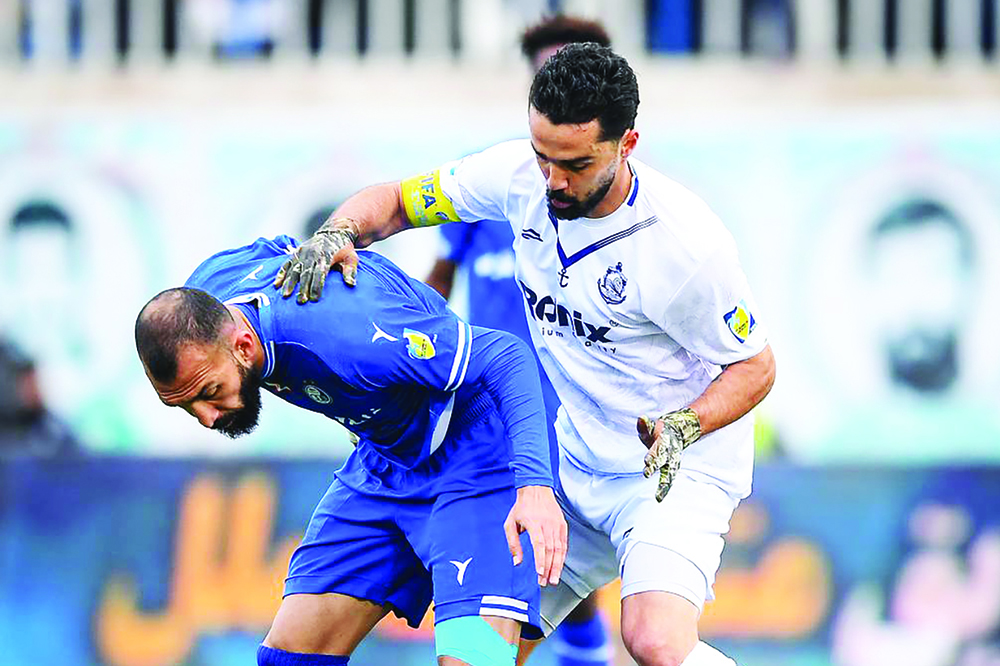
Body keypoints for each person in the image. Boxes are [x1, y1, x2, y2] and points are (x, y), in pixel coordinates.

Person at [276, 43, 776, 666]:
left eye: (576, 164)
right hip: (572, 461)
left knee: (654, 641)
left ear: (627, 144)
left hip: (671, 473)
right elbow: (398, 202)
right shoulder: (516, 176)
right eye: (543, 156)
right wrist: (335, 234)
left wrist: (684, 425)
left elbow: (756, 366)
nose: (553, 181)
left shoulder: (686, 246)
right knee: (480, 651)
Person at [134, 235, 568, 666]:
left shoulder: (351, 337)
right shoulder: (212, 288)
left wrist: (534, 487)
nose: (206, 417)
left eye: (210, 392)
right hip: (385, 458)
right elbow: (284, 249)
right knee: (289, 661)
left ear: (244, 345)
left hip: (478, 456)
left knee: (475, 660)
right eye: (183, 405)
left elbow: (505, 356)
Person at [424, 13, 614, 666]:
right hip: (486, 410)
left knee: (550, 563)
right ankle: (575, 651)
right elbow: (439, 276)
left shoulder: (615, 202)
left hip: (571, 411)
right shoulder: (496, 182)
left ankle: (580, 649)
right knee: (511, 565)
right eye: (544, 71)